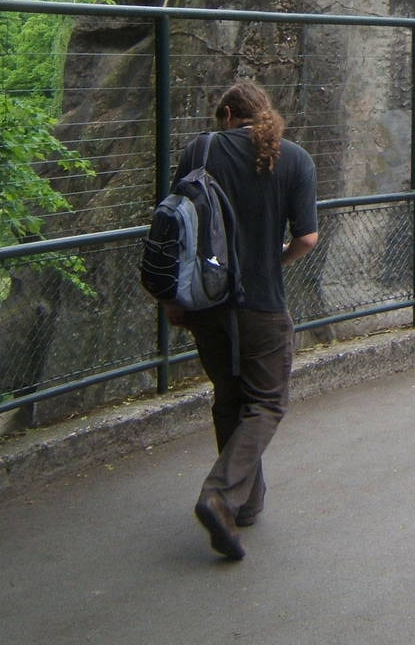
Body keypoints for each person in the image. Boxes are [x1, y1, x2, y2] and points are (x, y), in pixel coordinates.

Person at [166, 80, 319, 559]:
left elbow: (173, 228)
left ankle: (245, 504)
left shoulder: (199, 151)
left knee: (229, 398)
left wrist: (173, 300)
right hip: (262, 303)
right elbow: (307, 239)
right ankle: (221, 495)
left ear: (229, 116)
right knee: (267, 402)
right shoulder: (295, 159)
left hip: (205, 301)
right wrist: (276, 260)